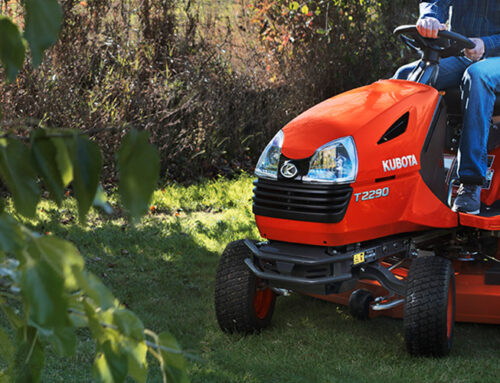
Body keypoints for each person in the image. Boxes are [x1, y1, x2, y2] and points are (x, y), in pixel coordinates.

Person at [395, 1, 500, 214]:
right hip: (463, 54)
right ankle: (396, 171)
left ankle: (470, 183)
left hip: (493, 57)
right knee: (406, 76)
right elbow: (435, 2)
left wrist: (486, 44)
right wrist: (430, 17)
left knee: (478, 76)